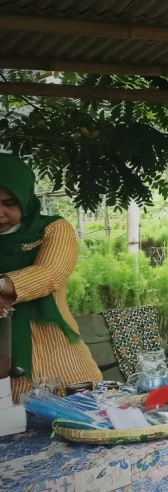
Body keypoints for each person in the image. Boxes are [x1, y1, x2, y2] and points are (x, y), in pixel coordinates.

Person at [0, 153, 101, 401]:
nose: (0, 213)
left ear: (25, 197)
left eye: (10, 203)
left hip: (58, 352)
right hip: (4, 362)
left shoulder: (52, 229)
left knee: (80, 419)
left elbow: (49, 275)